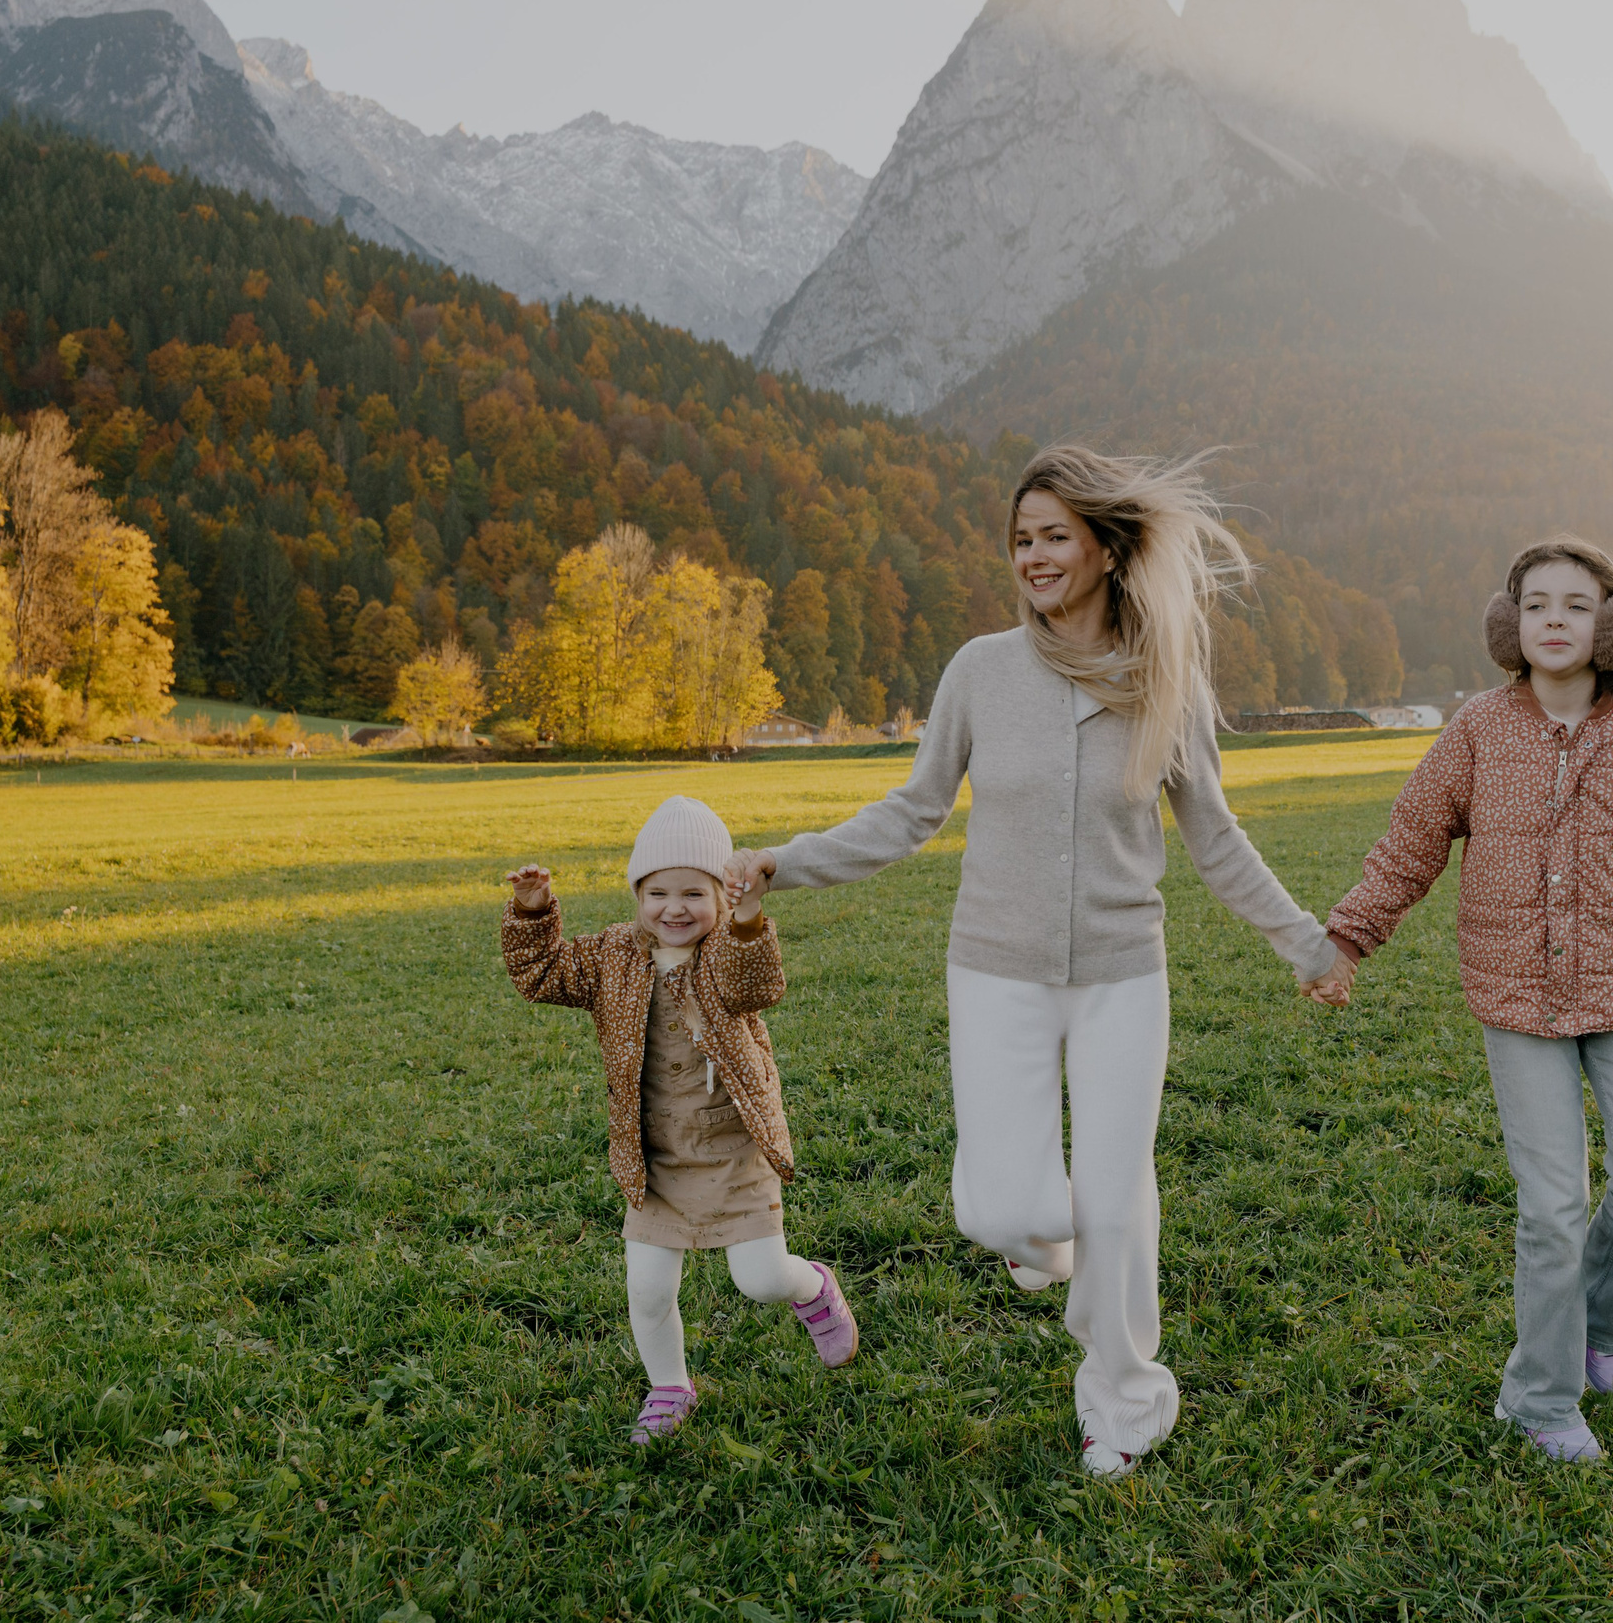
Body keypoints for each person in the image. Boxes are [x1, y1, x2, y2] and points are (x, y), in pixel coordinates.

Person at [724, 446, 1355, 1478]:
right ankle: (1052, 1252)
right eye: (1020, 539)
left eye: (1053, 534)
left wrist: (1305, 940)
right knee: (1001, 1209)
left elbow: (1217, 840)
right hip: (995, 971)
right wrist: (782, 863)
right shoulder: (980, 670)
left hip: (1122, 975)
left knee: (1116, 1198)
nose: (1032, 555)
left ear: (1106, 549)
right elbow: (913, 809)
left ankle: (1124, 1400)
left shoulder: (1166, 682)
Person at [1314, 537, 1613, 1465]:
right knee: (1552, 1208)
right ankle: (1542, 1399)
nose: (1557, 619)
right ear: (1511, 624)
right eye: (1539, 604)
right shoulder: (1477, 730)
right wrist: (1349, 939)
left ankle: (1603, 1326)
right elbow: (1411, 842)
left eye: (1578, 605)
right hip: (1516, 1002)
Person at [502, 795, 859, 1448]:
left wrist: (750, 916)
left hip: (733, 1152)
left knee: (760, 1281)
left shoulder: (726, 951)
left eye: (693, 892)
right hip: (656, 1159)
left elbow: (757, 985)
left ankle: (812, 1289)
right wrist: (533, 913)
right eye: (657, 892)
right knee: (646, 1289)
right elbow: (542, 974)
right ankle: (669, 1385)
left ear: (721, 896)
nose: (674, 908)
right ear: (637, 896)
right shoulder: (611, 955)